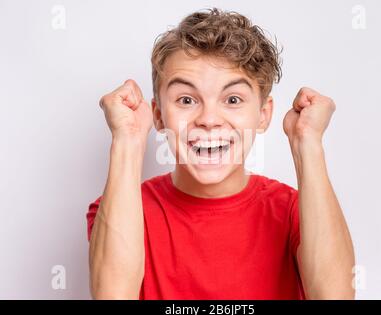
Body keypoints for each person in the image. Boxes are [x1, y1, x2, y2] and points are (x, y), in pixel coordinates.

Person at [86, 8, 355, 300]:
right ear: (158, 115)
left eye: (233, 99)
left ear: (263, 115)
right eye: (186, 100)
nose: (209, 118)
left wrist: (308, 142)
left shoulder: (295, 211)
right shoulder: (119, 206)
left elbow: (334, 295)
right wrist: (127, 139)